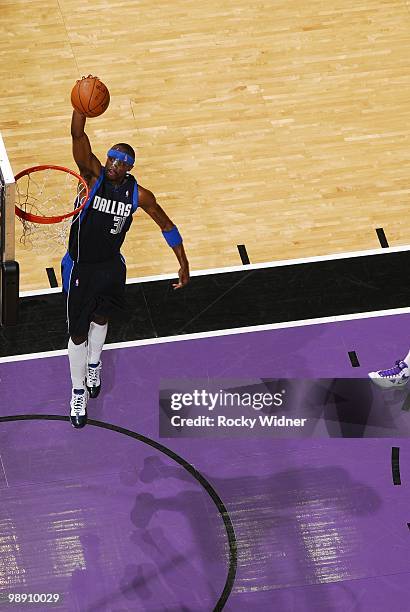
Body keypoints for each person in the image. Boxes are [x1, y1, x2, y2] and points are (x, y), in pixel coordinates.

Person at [62, 108, 190, 428]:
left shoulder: (138, 195)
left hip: (110, 267)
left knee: (102, 317)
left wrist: (183, 263)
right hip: (80, 267)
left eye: (120, 162)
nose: (113, 165)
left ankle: (94, 364)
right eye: (111, 159)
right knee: (77, 333)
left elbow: (167, 224)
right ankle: (78, 391)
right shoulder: (92, 176)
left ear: (130, 168)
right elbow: (78, 136)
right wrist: (80, 108)